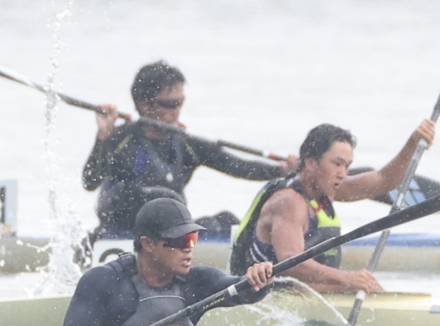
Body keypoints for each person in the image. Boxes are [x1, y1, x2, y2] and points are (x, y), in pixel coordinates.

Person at [59, 197, 278, 326]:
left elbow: (243, 291)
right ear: (148, 244)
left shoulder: (196, 282)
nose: (188, 249)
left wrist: (259, 279)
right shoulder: (105, 280)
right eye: (180, 241)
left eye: (192, 239)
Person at [82, 60, 294, 237]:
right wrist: (102, 138)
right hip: (122, 229)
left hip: (170, 230)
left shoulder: (187, 143)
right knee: (135, 196)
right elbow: (89, 181)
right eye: (169, 104)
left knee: (226, 222)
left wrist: (282, 170)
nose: (177, 111)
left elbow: (237, 166)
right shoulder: (118, 138)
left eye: (180, 103)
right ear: (145, 104)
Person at [229, 120, 437, 294]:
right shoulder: (288, 202)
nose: (343, 173)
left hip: (302, 290)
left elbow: (384, 180)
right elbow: (292, 262)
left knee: (361, 288)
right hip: (262, 296)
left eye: (347, 165)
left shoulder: (327, 189)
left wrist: (412, 144)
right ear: (311, 163)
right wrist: (347, 278)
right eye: (337, 163)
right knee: (353, 286)